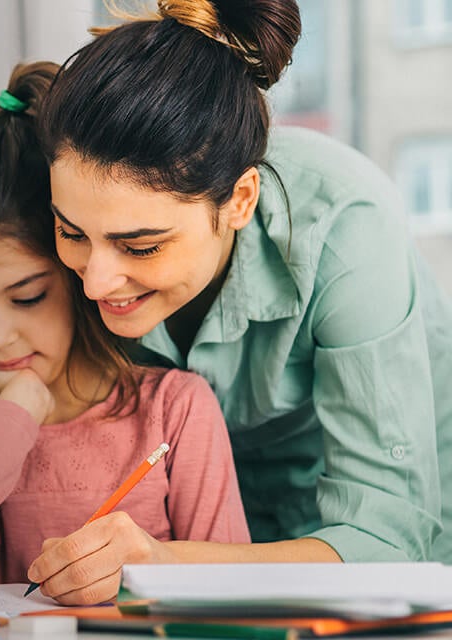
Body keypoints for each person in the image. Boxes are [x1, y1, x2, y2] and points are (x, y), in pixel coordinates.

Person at [26, 0, 452, 605]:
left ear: (241, 201)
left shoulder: (347, 228)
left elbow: (387, 543)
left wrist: (163, 563)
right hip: (202, 565)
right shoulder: (77, 239)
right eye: (71, 234)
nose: (93, 284)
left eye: (141, 247)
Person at [0, 61, 250, 590]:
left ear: (78, 273)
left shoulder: (175, 412)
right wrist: (11, 419)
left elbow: (234, 600)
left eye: (27, 298)